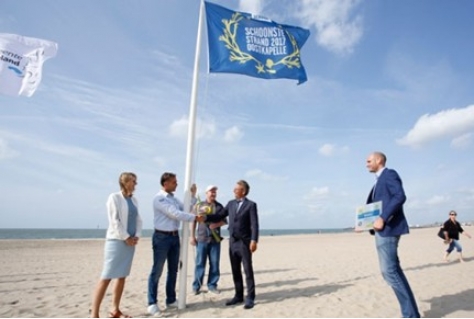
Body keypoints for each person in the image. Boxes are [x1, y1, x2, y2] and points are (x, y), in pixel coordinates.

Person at [366, 152, 420, 318]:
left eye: (369, 161)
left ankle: (410, 315)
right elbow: (376, 207)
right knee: (393, 271)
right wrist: (364, 224)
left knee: (389, 272)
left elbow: (400, 196)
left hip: (388, 229)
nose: (366, 164)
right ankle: (411, 314)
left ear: (379, 160)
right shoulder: (377, 182)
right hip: (381, 230)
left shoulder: (389, 174)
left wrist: (383, 218)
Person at [147, 172, 205, 316]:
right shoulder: (159, 199)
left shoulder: (173, 198)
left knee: (173, 270)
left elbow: (185, 208)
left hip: (174, 237)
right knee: (157, 270)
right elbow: (175, 214)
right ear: (165, 183)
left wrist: (192, 196)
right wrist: (195, 218)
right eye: (174, 182)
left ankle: (170, 299)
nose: (176, 184)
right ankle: (152, 303)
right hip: (161, 237)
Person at [90, 172, 142, 318]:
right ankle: (94, 314)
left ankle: (115, 309)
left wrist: (136, 235)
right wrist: (126, 237)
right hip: (117, 242)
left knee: (122, 276)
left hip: (130, 242)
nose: (135, 184)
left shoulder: (135, 200)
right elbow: (114, 221)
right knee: (106, 276)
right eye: (133, 181)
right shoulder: (114, 197)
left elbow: (138, 220)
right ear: (125, 182)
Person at [206, 180, 259, 310]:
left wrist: (254, 240)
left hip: (245, 242)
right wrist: (205, 217)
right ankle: (238, 295)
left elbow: (254, 224)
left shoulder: (251, 205)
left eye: (236, 189)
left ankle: (250, 297)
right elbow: (219, 215)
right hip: (232, 242)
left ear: (243, 191)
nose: (234, 191)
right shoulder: (230, 204)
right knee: (235, 271)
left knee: (247, 270)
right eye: (234, 189)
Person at [190, 185, 227, 295]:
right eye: (211, 191)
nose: (213, 193)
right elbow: (193, 221)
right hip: (201, 239)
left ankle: (212, 285)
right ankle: (196, 286)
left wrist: (216, 224)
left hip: (215, 240)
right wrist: (192, 236)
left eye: (215, 192)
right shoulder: (199, 205)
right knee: (200, 263)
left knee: (214, 264)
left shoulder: (219, 206)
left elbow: (224, 221)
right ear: (206, 193)